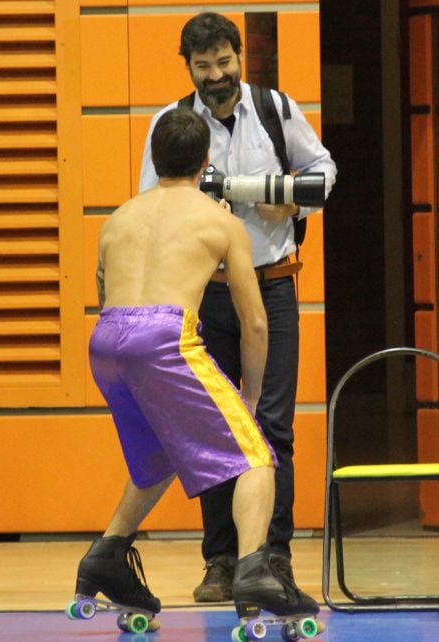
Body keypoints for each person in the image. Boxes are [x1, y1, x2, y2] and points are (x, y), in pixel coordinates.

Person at [73, 107, 319, 628]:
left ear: (154, 157)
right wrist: (249, 401)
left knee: (159, 455)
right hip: (163, 335)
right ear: (206, 161)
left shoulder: (119, 217)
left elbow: (102, 291)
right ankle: (254, 569)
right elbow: (254, 324)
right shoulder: (221, 221)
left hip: (106, 341)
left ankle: (106, 555)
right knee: (255, 453)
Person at [139, 12, 337, 606]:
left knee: (272, 426)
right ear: (189, 67)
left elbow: (325, 171)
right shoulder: (173, 124)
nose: (215, 76)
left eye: (223, 62)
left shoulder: (277, 110)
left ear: (239, 57)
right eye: (203, 67)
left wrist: (291, 208)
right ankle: (221, 561)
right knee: (214, 430)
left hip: (272, 287)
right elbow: (156, 201)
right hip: (206, 293)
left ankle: (272, 558)